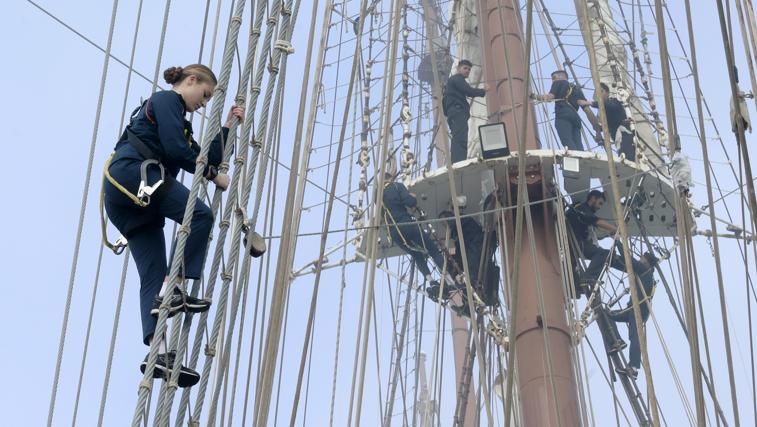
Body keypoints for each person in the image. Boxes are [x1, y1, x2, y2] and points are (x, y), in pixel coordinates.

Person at [103, 64, 244, 387]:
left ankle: (158, 354)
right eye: (205, 95)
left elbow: (201, 154)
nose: (204, 103)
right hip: (133, 174)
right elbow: (176, 150)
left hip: (131, 200)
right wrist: (210, 175)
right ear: (191, 81)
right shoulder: (167, 101)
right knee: (200, 216)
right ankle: (176, 286)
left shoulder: (181, 123)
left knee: (152, 274)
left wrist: (228, 127)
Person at [381, 173, 457, 299]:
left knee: (416, 255)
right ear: (391, 179)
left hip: (395, 234)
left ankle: (431, 281)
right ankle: (450, 281)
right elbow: (410, 202)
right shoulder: (396, 186)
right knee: (433, 249)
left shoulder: (379, 197)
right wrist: (412, 197)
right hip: (407, 225)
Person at [608, 251, 658, 380]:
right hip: (636, 310)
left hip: (637, 309)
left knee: (634, 337)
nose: (640, 258)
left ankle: (634, 367)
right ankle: (618, 341)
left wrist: (618, 241)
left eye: (642, 257)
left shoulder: (644, 269)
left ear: (646, 261)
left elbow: (628, 259)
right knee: (609, 316)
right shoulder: (648, 274)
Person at [565, 190, 624, 292]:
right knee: (603, 253)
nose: (599, 207)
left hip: (574, 246)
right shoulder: (582, 208)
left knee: (576, 284)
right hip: (576, 243)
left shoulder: (581, 209)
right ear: (593, 199)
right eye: (600, 203)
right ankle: (589, 276)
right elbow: (596, 221)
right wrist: (615, 229)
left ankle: (578, 287)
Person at [534, 70, 598, 151]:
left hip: (563, 115)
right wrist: (597, 130)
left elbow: (549, 97)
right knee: (578, 146)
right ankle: (581, 161)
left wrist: (534, 96)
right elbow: (588, 110)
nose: (553, 81)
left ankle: (574, 160)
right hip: (576, 119)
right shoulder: (576, 90)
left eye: (554, 78)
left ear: (562, 76)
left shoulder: (558, 83)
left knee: (567, 143)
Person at [443, 59, 489, 163]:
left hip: (454, 113)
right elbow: (469, 91)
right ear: (458, 68)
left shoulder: (453, 81)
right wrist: (483, 90)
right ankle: (458, 162)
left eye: (469, 69)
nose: (467, 71)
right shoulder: (457, 79)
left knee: (459, 137)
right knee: (460, 139)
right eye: (465, 68)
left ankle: (458, 160)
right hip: (457, 111)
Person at [590, 82, 636, 161]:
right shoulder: (602, 112)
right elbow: (606, 125)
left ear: (607, 93)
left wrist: (592, 103)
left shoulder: (614, 101)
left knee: (627, 157)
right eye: (597, 93)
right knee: (623, 155)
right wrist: (598, 130)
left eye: (601, 91)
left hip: (624, 134)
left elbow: (611, 106)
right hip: (617, 137)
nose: (599, 94)